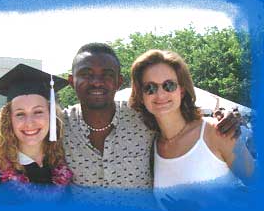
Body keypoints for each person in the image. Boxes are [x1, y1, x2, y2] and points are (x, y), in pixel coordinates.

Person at [63, 43, 241, 189]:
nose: (96, 82)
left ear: (119, 82)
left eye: (107, 75)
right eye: (86, 74)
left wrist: (226, 117)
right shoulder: (58, 126)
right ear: (72, 81)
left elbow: (177, 116)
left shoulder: (141, 118)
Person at [128, 49, 254, 189]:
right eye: (150, 88)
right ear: (141, 95)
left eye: (169, 85)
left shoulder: (216, 132)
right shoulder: (152, 146)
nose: (160, 94)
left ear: (181, 90)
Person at [0, 64, 73, 186]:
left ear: (51, 115)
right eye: (20, 114)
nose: (29, 123)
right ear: (8, 119)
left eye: (38, 112)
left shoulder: (67, 161)